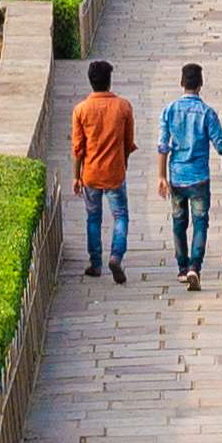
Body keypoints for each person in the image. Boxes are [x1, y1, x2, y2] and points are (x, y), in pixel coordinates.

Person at [65, 55, 135, 280]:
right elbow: (128, 142)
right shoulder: (123, 106)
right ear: (109, 80)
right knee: (120, 216)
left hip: (91, 173)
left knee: (93, 218)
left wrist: (76, 177)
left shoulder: (81, 110)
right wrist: (123, 163)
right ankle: (116, 255)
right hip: (115, 172)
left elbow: (78, 149)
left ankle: (95, 263)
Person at [156, 61, 222, 287]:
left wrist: (161, 176)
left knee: (178, 222)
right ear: (201, 84)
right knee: (200, 222)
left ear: (181, 83)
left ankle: (182, 267)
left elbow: (163, 146)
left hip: (176, 176)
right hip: (199, 177)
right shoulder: (207, 113)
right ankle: (195, 266)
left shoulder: (170, 110)